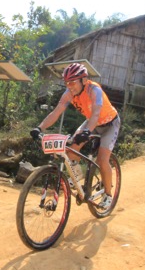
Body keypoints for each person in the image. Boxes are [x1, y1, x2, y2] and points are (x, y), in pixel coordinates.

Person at [30, 63, 120, 205]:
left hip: (109, 124)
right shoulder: (69, 94)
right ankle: (77, 179)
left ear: (84, 80)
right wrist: (39, 128)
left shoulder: (94, 90)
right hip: (92, 122)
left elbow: (96, 113)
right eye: (66, 83)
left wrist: (86, 132)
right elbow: (56, 113)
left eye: (72, 82)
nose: (69, 86)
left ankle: (108, 195)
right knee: (71, 148)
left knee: (102, 160)